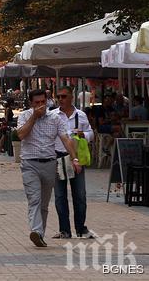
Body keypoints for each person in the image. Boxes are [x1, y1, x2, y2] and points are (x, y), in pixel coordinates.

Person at [17, 89, 81, 248]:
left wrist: (74, 158)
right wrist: (34, 117)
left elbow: (66, 139)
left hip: (49, 163)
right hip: (29, 163)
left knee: (44, 203)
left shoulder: (55, 118)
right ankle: (36, 231)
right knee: (34, 200)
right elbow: (20, 135)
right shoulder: (24, 116)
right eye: (36, 103)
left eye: (43, 102)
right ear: (31, 103)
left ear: (47, 102)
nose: (40, 105)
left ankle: (39, 234)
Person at [52, 86, 95, 240]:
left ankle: (81, 228)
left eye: (64, 96)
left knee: (80, 195)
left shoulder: (81, 115)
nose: (60, 99)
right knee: (59, 196)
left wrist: (83, 134)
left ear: (71, 97)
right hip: (58, 157)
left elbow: (91, 134)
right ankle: (64, 230)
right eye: (58, 96)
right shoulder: (53, 115)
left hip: (76, 158)